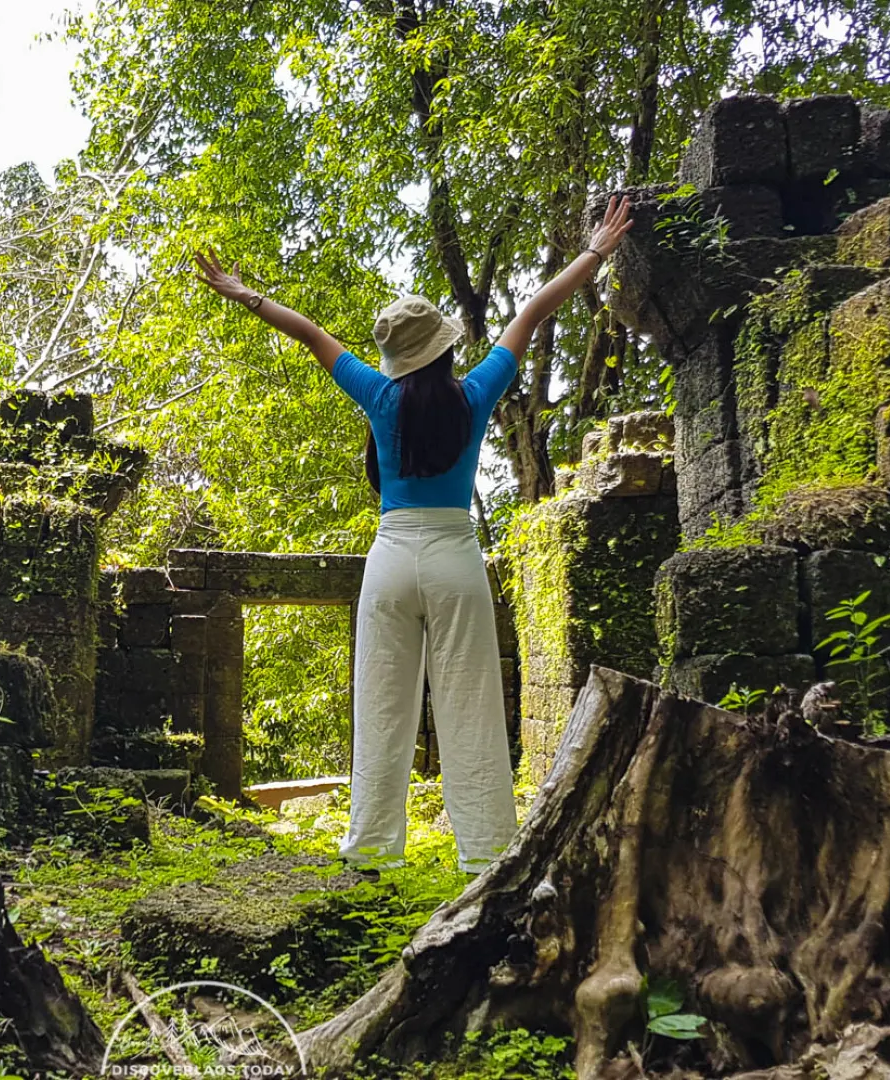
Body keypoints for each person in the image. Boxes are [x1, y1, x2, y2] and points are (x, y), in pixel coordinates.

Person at [193, 195, 636, 874]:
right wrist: (597, 250)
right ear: (444, 348)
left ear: (395, 358)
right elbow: (532, 311)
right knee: (472, 710)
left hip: (391, 559)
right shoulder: (473, 393)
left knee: (381, 707)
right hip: (456, 558)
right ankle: (487, 855)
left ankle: (368, 853)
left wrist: (241, 292)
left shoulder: (378, 394)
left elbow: (308, 332)